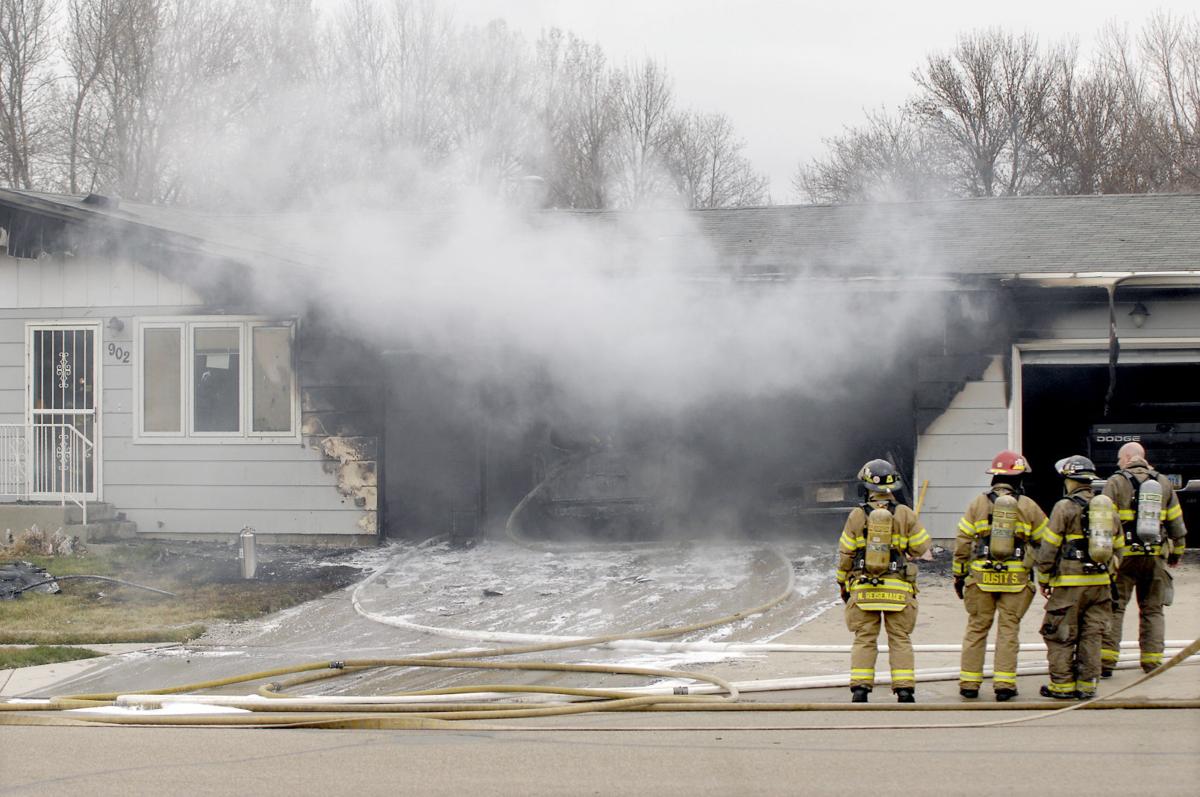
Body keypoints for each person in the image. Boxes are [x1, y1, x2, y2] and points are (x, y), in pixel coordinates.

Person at [953, 450, 1048, 701]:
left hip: (981, 580)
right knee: (1008, 630)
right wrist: (1046, 576)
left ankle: (969, 685)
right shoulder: (1029, 506)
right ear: (1019, 478)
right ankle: (1004, 685)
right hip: (1016, 582)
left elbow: (963, 542)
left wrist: (959, 575)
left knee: (976, 628)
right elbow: (1046, 543)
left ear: (994, 477)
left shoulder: (978, 503)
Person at [835, 459, 932, 703]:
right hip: (898, 588)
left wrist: (842, 583)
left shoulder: (857, 515)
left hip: (865, 586)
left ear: (865, 487)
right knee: (900, 638)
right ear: (892, 487)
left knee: (864, 638)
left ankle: (860, 689)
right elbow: (921, 547)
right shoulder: (905, 513)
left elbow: (846, 554)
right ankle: (904, 690)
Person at [1034, 455, 1125, 699]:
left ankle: (1062, 686)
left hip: (1070, 585)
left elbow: (1049, 548)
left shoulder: (1064, 507)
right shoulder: (1107, 510)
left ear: (1069, 480)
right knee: (1092, 635)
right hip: (1101, 585)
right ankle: (1087, 685)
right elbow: (1119, 548)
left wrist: (1044, 577)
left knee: (1061, 634)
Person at [1100, 442, 1188, 675]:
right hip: (1155, 556)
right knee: (1153, 610)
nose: (1118, 463)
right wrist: (1177, 552)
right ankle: (1152, 662)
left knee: (1114, 607)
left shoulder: (1115, 482)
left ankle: (1106, 662)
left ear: (1128, 457)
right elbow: (1176, 523)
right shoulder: (1163, 482)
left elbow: (1103, 522)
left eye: (1120, 459)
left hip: (1124, 558)